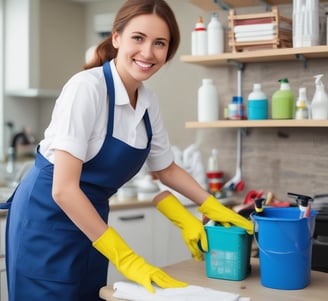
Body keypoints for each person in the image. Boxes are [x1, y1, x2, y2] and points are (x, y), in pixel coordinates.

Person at [1, 0, 253, 300]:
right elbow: (64, 190)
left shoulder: (147, 102)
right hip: (45, 221)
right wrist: (126, 258)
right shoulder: (87, 88)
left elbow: (166, 169)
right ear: (116, 38)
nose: (148, 52)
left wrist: (213, 208)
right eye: (138, 38)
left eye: (159, 43)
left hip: (92, 224)